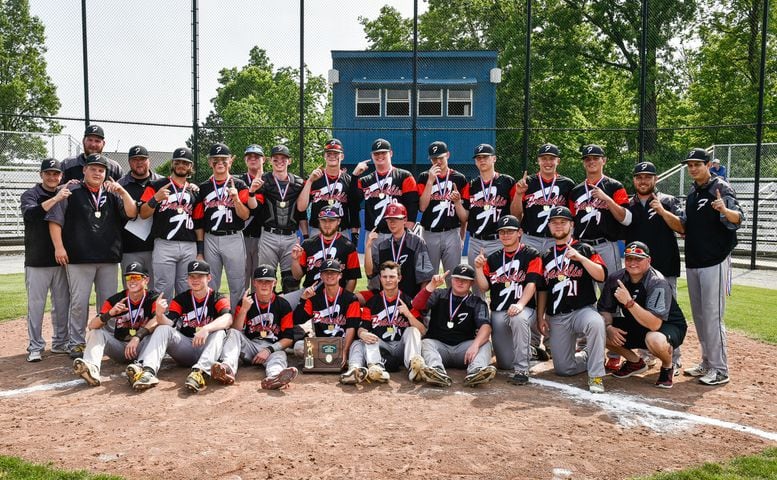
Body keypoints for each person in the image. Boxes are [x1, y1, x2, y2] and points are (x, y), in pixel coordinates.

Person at [46, 154, 138, 359]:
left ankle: (106, 339)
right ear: (84, 171)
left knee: (108, 303)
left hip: (108, 256)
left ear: (106, 173)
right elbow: (55, 221)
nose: (97, 173)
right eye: (93, 169)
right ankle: (77, 342)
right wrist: (59, 247)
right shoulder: (69, 191)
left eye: (101, 170)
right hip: (79, 257)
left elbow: (132, 213)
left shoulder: (113, 193)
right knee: (79, 302)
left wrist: (122, 191)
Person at [680, 148, 744, 386]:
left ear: (708, 165)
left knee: (712, 316)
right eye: (690, 165)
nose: (693, 168)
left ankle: (719, 368)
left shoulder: (721, 187)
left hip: (715, 260)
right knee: (699, 317)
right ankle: (707, 361)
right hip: (695, 260)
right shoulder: (693, 193)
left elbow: (738, 218)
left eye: (697, 164)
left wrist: (725, 210)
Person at [128, 260, 232, 393]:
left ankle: (199, 373)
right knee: (162, 329)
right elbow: (169, 323)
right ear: (187, 279)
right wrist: (159, 315)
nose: (195, 280)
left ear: (209, 278)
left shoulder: (217, 297)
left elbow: (228, 318)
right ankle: (148, 371)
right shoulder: (181, 299)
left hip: (208, 347)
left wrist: (206, 328)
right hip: (186, 347)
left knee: (219, 333)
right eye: (192, 277)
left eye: (200, 276)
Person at [536, 207, 608, 393]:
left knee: (596, 323)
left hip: (582, 310)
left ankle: (596, 376)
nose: (558, 226)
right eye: (554, 222)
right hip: (558, 315)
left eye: (563, 222)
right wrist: (540, 315)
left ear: (572, 225)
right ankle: (589, 356)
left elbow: (601, 276)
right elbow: (542, 289)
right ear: (549, 225)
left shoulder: (584, 249)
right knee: (564, 369)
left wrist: (581, 259)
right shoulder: (545, 255)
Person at [598, 242, 688, 389]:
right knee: (598, 328)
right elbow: (604, 310)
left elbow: (655, 324)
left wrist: (629, 302)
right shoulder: (616, 278)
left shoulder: (657, 282)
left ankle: (667, 366)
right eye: (629, 258)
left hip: (667, 326)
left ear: (648, 261)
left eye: (638, 259)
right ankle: (635, 363)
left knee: (654, 339)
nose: (632, 263)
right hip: (637, 322)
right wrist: (608, 327)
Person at [623, 161, 685, 373]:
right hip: (637, 273)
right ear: (634, 180)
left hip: (664, 266)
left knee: (667, 315)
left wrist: (662, 212)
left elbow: (682, 227)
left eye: (648, 177)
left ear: (655, 179)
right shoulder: (628, 205)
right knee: (640, 312)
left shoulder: (667, 201)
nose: (643, 181)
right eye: (639, 177)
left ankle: (673, 358)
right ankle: (646, 356)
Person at [474, 215, 543, 385]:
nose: (505, 235)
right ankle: (531, 351)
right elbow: (484, 288)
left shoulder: (531, 254)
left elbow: (532, 285)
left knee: (517, 318)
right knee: (504, 364)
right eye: (502, 232)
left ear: (519, 233)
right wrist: (478, 269)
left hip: (524, 309)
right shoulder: (494, 258)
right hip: (499, 311)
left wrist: (520, 304)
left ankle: (522, 369)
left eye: (510, 232)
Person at [210, 265, 299, 390]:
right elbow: (236, 330)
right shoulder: (246, 302)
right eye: (260, 281)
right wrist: (244, 310)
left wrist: (268, 350)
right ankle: (227, 369)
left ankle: (275, 377)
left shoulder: (283, 305)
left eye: (268, 281)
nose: (264, 285)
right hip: (250, 346)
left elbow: (288, 339)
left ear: (275, 283)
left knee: (280, 355)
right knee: (232, 333)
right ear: (254, 283)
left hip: (272, 348)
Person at [72, 262, 161, 386]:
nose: (132, 281)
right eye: (129, 277)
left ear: (146, 280)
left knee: (159, 329)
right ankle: (92, 369)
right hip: (120, 348)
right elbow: (92, 325)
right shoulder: (116, 300)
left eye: (136, 277)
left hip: (141, 346)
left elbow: (157, 319)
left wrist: (137, 337)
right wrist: (110, 313)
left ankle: (141, 369)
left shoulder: (153, 298)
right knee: (96, 332)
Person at [411, 264, 497, 388]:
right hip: (439, 347)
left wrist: (475, 345)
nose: (460, 282)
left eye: (465, 280)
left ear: (472, 283)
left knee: (485, 344)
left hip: (465, 351)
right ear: (451, 279)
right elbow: (416, 305)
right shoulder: (439, 294)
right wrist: (432, 285)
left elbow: (486, 327)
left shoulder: (477, 302)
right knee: (426, 343)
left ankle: (476, 371)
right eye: (457, 278)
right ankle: (436, 370)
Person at [342, 261, 426, 385]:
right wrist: (362, 334)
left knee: (412, 330)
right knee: (366, 338)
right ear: (380, 279)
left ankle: (413, 368)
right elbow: (363, 327)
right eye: (384, 277)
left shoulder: (408, 301)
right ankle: (376, 369)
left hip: (401, 346)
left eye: (392, 276)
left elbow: (422, 331)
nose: (388, 280)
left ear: (399, 278)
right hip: (381, 346)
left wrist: (408, 315)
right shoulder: (372, 302)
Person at [20, 158, 70, 361]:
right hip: (37, 259)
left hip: (61, 260)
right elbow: (31, 214)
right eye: (48, 173)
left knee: (61, 304)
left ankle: (59, 342)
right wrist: (56, 198)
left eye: (56, 173)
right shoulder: (31, 194)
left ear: (61, 176)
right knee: (36, 305)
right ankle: (35, 346)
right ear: (41, 174)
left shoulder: (66, 194)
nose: (52, 177)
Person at [193, 143, 253, 308]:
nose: (220, 163)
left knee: (237, 284)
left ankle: (236, 324)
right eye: (216, 159)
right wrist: (200, 248)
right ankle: (213, 321)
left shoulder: (239, 184)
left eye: (224, 159)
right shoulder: (204, 188)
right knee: (210, 283)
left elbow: (245, 215)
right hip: (211, 237)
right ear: (210, 162)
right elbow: (198, 219)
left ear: (230, 162)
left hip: (233, 237)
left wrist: (236, 199)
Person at [139, 147, 199, 300]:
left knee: (186, 287)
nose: (181, 165)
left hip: (189, 244)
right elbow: (143, 213)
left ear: (190, 166)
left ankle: (182, 323)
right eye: (177, 162)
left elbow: (199, 220)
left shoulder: (194, 190)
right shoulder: (156, 185)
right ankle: (163, 323)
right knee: (163, 287)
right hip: (164, 244)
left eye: (185, 163)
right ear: (172, 164)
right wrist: (155, 199)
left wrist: (200, 248)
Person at [461, 143, 517, 298]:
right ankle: (481, 318)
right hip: (476, 241)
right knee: (478, 284)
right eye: (478, 158)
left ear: (494, 159)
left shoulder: (507, 182)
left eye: (485, 157)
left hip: (499, 239)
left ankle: (500, 313)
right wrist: (457, 203)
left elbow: (516, 212)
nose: (482, 160)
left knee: (502, 278)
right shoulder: (471, 185)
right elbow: (465, 216)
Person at [569, 144, 631, 277]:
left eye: (596, 158)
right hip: (583, 246)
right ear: (583, 163)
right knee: (585, 292)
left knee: (611, 287)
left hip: (606, 244)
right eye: (587, 159)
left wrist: (607, 200)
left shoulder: (614, 186)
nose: (591, 161)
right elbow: (572, 222)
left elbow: (627, 219)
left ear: (604, 160)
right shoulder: (576, 191)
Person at [255, 145, 306, 293]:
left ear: (289, 161)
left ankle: (287, 315)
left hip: (290, 235)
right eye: (275, 159)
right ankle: (267, 314)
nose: (279, 162)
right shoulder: (263, 181)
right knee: (266, 277)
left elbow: (301, 212)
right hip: (269, 234)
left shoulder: (298, 182)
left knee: (291, 282)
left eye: (283, 159)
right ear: (270, 161)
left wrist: (305, 236)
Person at [288, 206, 361, 308]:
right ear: (319, 221)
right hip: (309, 293)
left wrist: (343, 299)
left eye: (331, 220)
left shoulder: (348, 246)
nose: (327, 224)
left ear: (338, 221)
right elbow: (297, 276)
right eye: (323, 221)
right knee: (281, 303)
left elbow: (352, 278)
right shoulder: (308, 244)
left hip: (335, 295)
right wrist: (295, 260)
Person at [417, 141, 468, 284]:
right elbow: (422, 207)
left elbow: (464, 216)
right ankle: (426, 306)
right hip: (429, 233)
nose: (438, 162)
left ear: (448, 155)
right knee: (427, 277)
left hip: (452, 232)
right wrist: (430, 181)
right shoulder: (423, 177)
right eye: (434, 159)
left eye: (441, 158)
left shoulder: (459, 178)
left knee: (454, 278)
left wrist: (462, 237)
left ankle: (451, 306)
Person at [291, 259, 361, 364]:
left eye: (333, 273)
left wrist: (345, 350)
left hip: (343, 342)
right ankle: (334, 360)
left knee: (357, 347)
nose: (329, 276)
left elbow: (351, 328)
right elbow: (298, 319)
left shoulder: (350, 298)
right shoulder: (314, 298)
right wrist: (303, 299)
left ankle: (333, 359)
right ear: (321, 276)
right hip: (322, 343)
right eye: (326, 273)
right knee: (298, 347)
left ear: (340, 275)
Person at [511, 143, 576, 254]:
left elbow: (573, 215)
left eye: (551, 159)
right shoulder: (527, 182)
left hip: (556, 240)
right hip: (530, 238)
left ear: (558, 161)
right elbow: (515, 215)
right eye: (544, 159)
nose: (548, 162)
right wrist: (518, 194)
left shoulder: (567, 184)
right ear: (538, 161)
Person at [364, 202, 433, 301]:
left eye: (396, 219)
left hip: (410, 299)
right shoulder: (383, 245)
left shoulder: (417, 242)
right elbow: (370, 273)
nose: (392, 222)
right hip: (387, 300)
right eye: (389, 219)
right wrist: (368, 247)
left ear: (405, 220)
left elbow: (425, 277)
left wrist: (419, 304)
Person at [353, 138, 419, 242]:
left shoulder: (404, 176)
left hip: (397, 233)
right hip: (373, 233)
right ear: (372, 156)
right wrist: (354, 175)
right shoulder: (365, 181)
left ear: (391, 153)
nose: (380, 156)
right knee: (370, 259)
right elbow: (353, 201)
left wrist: (407, 230)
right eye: (376, 154)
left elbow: (412, 205)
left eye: (383, 153)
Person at [296, 139, 360, 242]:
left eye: (336, 153)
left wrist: (354, 234)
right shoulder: (315, 178)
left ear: (342, 156)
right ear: (324, 156)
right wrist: (310, 181)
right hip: (317, 231)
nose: (332, 156)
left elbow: (353, 210)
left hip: (341, 231)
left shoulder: (348, 180)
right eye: (329, 153)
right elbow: (301, 208)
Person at [118, 145, 162, 285]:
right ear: (129, 162)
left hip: (157, 248)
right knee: (132, 290)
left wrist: (193, 186)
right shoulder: (121, 185)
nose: (139, 162)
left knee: (157, 292)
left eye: (142, 159)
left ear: (149, 161)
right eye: (134, 159)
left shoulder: (162, 183)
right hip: (129, 248)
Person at [238, 144, 265, 289]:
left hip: (264, 237)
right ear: (245, 160)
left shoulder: (270, 180)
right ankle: (240, 311)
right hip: (242, 236)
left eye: (257, 156)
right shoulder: (238, 181)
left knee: (260, 281)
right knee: (241, 281)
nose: (253, 159)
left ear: (264, 160)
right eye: (249, 156)